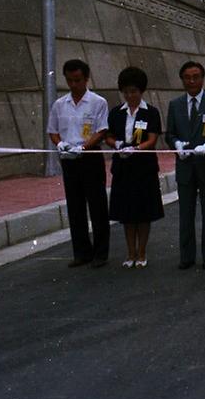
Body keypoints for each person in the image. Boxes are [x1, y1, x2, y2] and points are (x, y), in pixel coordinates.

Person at [47, 59, 110, 268]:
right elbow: (53, 131)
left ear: (86, 78)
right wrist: (61, 144)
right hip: (69, 160)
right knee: (75, 207)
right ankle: (82, 252)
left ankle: (101, 253)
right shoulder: (59, 104)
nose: (74, 84)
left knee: (97, 206)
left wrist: (83, 147)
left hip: (89, 158)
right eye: (70, 80)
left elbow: (101, 131)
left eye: (77, 80)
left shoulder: (98, 102)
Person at [165, 61, 205, 270]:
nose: (191, 81)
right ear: (182, 79)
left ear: (202, 78)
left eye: (196, 77)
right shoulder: (175, 105)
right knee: (186, 213)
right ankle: (187, 256)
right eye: (187, 77)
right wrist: (176, 145)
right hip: (185, 166)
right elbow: (170, 134)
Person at [105, 67, 164, 268]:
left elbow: (153, 138)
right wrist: (118, 145)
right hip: (123, 168)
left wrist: (137, 149)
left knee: (143, 212)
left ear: (141, 91)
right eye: (126, 92)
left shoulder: (151, 112)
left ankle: (142, 252)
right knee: (127, 213)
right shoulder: (116, 113)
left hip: (144, 168)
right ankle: (130, 253)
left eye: (134, 91)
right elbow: (109, 136)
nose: (130, 95)